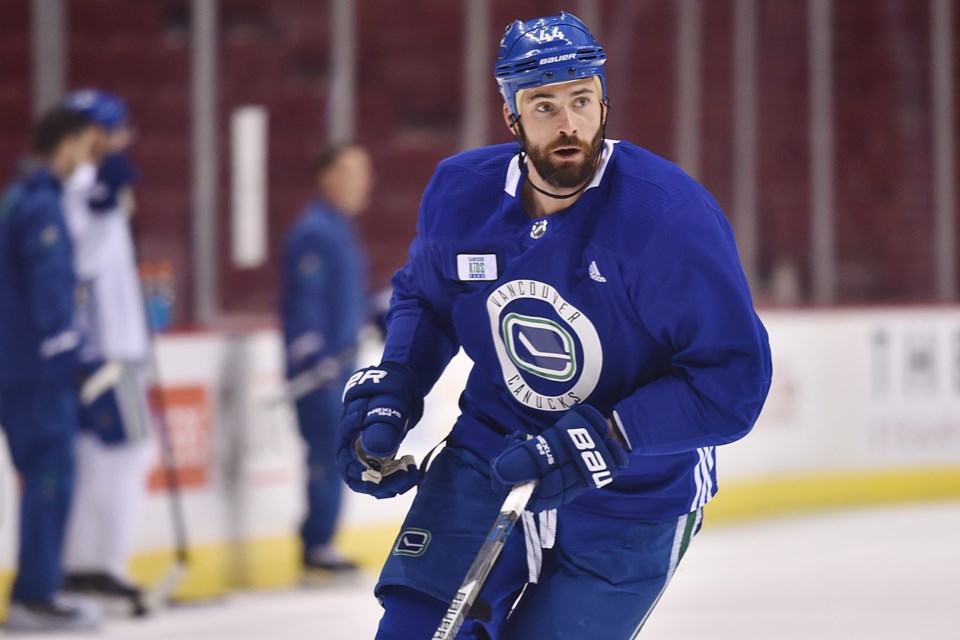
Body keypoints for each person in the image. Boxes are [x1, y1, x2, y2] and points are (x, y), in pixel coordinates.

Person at [336, 12, 772, 640]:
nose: (567, 123)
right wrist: (394, 389)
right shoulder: (462, 193)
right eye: (543, 105)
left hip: (634, 490)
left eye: (581, 100)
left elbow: (733, 382)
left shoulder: (668, 219)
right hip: (493, 452)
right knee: (410, 628)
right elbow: (426, 301)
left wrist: (611, 436)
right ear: (511, 115)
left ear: (604, 103)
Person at [0, 107, 101, 632]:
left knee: (46, 474)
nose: (88, 160)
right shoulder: (40, 206)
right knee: (49, 475)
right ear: (65, 145)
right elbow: (48, 286)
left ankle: (39, 589)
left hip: (20, 364)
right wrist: (69, 352)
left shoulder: (20, 197)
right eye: (86, 148)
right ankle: (35, 595)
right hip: (35, 371)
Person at [59, 89, 152, 615]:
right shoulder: (78, 185)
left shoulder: (95, 184)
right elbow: (78, 264)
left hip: (119, 343)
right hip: (105, 348)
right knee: (118, 456)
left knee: (109, 457)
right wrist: (101, 207)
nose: (119, 141)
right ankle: (97, 566)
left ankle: (91, 564)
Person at [280, 143, 375, 579]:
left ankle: (320, 540)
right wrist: (311, 354)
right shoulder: (315, 231)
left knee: (335, 451)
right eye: (351, 172)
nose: (362, 182)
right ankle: (317, 544)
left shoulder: (339, 229)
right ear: (326, 177)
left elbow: (344, 298)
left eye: (364, 172)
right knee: (326, 452)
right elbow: (305, 301)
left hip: (340, 365)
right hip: (321, 371)